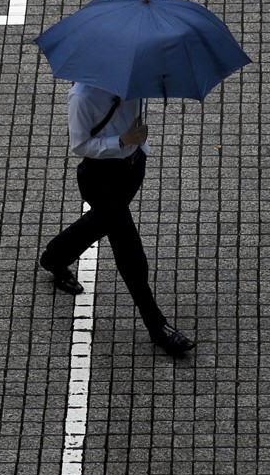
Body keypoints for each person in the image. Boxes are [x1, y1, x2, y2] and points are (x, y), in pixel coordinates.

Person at [39, 82, 196, 356]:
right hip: (102, 179)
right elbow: (79, 145)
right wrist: (123, 141)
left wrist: (139, 147)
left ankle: (53, 257)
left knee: (100, 223)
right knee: (130, 252)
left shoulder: (135, 77)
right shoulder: (82, 96)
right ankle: (157, 327)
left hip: (132, 169)